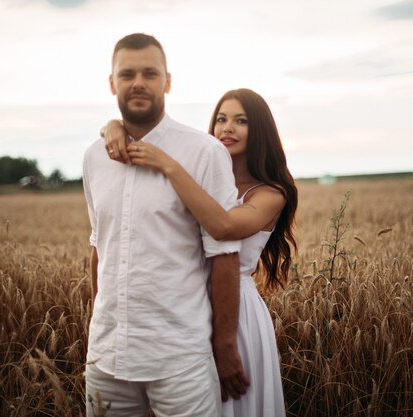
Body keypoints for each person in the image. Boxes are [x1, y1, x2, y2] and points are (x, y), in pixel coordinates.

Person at [102, 88, 298, 417]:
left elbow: (223, 227)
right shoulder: (200, 179)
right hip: (183, 302)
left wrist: (170, 166)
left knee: (231, 405)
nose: (227, 128)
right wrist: (112, 126)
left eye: (241, 121)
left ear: (260, 130)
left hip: (235, 313)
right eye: (221, 119)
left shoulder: (270, 194)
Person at [82, 33, 249, 417]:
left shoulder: (203, 152)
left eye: (149, 73)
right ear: (112, 83)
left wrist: (224, 345)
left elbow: (224, 253)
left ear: (167, 82)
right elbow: (98, 248)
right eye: (127, 74)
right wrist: (99, 332)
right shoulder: (94, 157)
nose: (138, 82)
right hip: (106, 360)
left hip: (179, 359)